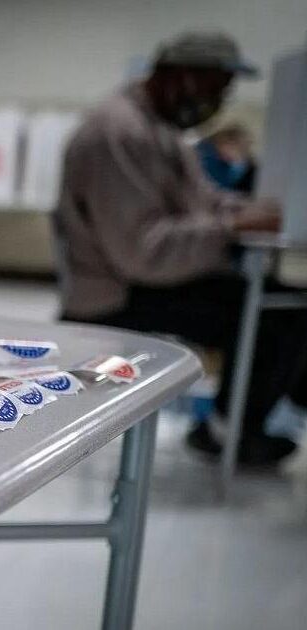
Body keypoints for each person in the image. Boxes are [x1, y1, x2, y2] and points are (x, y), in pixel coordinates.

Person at [55, 31, 307, 465]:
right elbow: (142, 254)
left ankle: (236, 424)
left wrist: (245, 212)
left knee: (282, 304)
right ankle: (228, 433)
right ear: (179, 76)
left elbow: (202, 200)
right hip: (115, 294)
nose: (218, 100)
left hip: (140, 280)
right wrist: (230, 226)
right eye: (214, 88)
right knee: (273, 318)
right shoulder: (120, 132)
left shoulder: (160, 129)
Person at [196, 124, 256, 193]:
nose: (236, 155)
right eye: (234, 148)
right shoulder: (204, 152)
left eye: (241, 152)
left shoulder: (236, 167)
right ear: (224, 140)